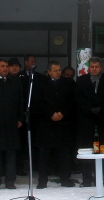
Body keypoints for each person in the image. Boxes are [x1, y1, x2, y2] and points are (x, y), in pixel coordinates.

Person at [35, 60, 76, 189]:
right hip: (46, 124)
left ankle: (65, 178)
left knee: (64, 153)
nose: (59, 72)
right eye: (55, 70)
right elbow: (38, 102)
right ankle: (42, 180)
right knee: (44, 154)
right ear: (48, 72)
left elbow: (72, 101)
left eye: (59, 70)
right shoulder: (40, 83)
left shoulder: (68, 83)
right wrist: (50, 114)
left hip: (63, 124)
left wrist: (62, 113)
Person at [76, 57, 104, 187]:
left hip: (102, 119)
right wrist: (89, 109)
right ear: (88, 67)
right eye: (92, 66)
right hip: (86, 120)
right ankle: (86, 178)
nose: (94, 69)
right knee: (86, 149)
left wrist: (101, 108)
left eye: (96, 66)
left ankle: (99, 177)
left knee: (101, 149)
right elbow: (78, 98)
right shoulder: (81, 80)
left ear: (100, 67)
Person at [0, 58, 24, 189]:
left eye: (6, 66)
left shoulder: (15, 81)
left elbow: (21, 101)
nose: (5, 68)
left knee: (11, 153)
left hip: (11, 122)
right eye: (2, 66)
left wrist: (20, 118)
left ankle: (10, 181)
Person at [8, 57, 28, 177]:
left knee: (20, 144)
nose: (14, 67)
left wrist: (21, 118)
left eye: (16, 65)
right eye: (12, 65)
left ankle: (19, 168)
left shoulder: (23, 79)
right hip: (7, 118)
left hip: (20, 117)